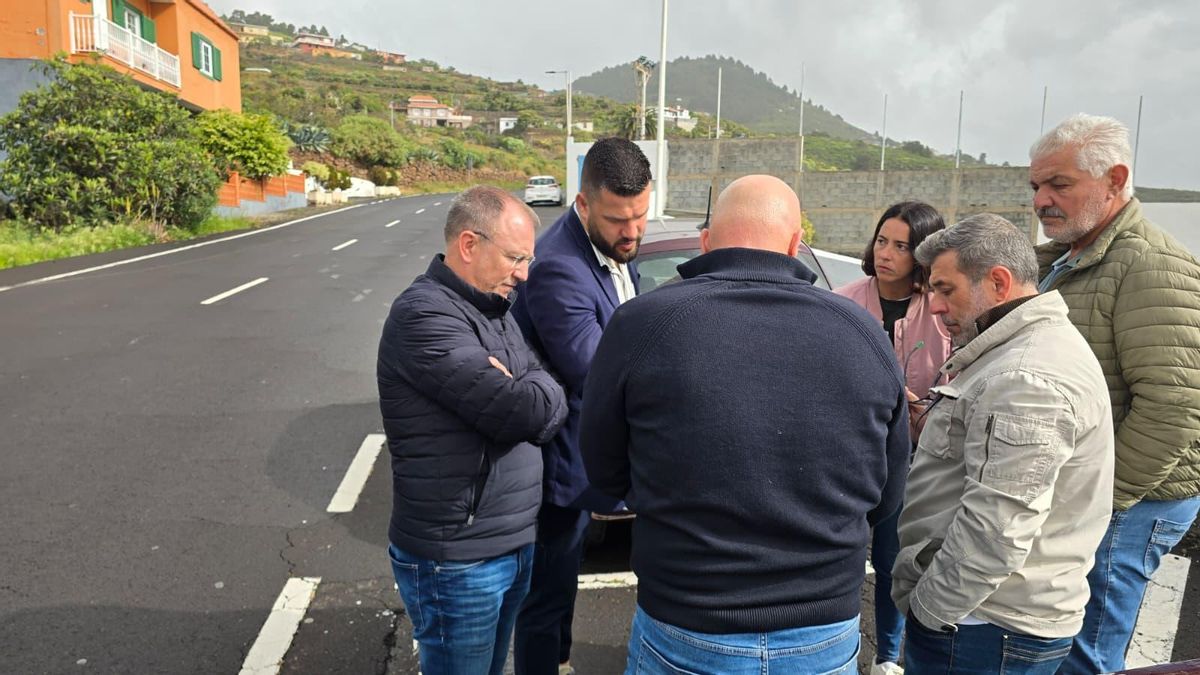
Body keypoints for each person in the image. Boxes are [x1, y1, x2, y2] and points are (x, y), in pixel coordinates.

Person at [581, 174, 910, 674]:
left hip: (686, 621)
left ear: (707, 242)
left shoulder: (641, 323)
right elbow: (888, 495)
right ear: (796, 244)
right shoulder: (862, 330)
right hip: (822, 629)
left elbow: (604, 473)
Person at [891, 213, 1114, 674]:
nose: (934, 306)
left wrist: (930, 611)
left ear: (997, 282)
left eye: (945, 289)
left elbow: (997, 528)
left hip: (984, 627)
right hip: (986, 622)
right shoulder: (1019, 354)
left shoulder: (1025, 376)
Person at [1027, 114, 1200, 675]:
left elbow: (1175, 408)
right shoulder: (1073, 257)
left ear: (1115, 178)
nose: (1042, 200)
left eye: (1059, 184)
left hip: (1128, 499)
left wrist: (1099, 499)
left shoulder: (1152, 264)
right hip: (1095, 491)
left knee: (1087, 650)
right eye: (1035, 187)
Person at [377, 185, 568, 675]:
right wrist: (528, 390)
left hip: (511, 542)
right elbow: (519, 412)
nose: (523, 274)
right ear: (468, 245)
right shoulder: (424, 315)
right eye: (514, 257)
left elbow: (550, 390)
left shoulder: (493, 311)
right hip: (459, 559)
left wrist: (530, 388)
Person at [510, 136, 652, 675]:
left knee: (561, 583)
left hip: (585, 455)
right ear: (584, 203)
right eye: (619, 219)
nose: (633, 232)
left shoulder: (615, 249)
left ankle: (561, 661)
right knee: (546, 596)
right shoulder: (559, 268)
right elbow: (597, 373)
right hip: (559, 466)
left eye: (641, 215)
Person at [835, 201, 951, 675]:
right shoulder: (843, 300)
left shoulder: (942, 311)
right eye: (882, 240)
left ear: (922, 255)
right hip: (850, 452)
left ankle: (887, 656)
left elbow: (958, 377)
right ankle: (837, 645)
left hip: (914, 458)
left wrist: (923, 403)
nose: (886, 253)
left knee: (891, 560)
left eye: (902, 246)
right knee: (838, 554)